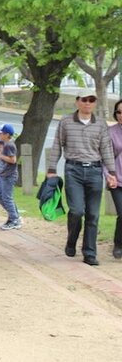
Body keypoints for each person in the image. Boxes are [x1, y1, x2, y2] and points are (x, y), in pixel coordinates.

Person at [46, 90, 117, 266]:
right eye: (84, 100)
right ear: (77, 101)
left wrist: (112, 173)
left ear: (95, 103)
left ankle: (90, 253)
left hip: (94, 171)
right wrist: (52, 169)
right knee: (77, 211)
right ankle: (71, 240)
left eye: (91, 100)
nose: (88, 103)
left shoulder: (100, 124)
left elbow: (106, 149)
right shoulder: (66, 121)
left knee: (93, 214)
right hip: (73, 170)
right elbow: (57, 145)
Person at [0, 124, 21, 230]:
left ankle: (14, 220)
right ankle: (14, 216)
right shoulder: (5, 144)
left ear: (7, 134)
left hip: (9, 175)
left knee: (7, 198)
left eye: (1, 133)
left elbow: (13, 160)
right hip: (3, 175)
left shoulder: (9, 145)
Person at [107, 99, 122, 260]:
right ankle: (118, 244)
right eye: (119, 112)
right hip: (117, 180)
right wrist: (108, 176)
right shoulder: (110, 132)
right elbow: (105, 158)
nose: (121, 115)